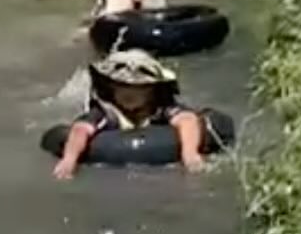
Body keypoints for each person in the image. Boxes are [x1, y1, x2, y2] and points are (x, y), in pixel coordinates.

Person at [52, 47, 206, 178]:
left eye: (139, 87)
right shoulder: (105, 112)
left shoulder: (161, 107)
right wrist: (69, 160)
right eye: (121, 86)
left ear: (153, 90)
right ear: (110, 88)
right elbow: (81, 129)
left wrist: (190, 154)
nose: (129, 93)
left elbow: (187, 119)